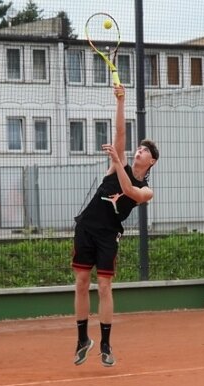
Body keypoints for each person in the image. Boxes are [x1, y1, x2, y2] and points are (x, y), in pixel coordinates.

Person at [71, 84, 159, 367]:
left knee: (105, 286)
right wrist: (121, 100)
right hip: (86, 227)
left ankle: (106, 344)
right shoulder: (117, 162)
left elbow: (130, 192)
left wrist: (117, 162)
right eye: (139, 148)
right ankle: (83, 339)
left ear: (152, 161)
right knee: (81, 283)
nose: (139, 151)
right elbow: (120, 134)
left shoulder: (146, 190)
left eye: (145, 151)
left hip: (109, 235)